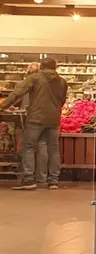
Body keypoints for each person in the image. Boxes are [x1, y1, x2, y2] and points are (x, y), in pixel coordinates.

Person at [0, 57, 67, 191]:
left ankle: (29, 179)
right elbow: (62, 100)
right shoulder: (62, 81)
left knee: (28, 147)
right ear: (55, 67)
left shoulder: (35, 78)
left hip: (36, 118)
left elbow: (17, 93)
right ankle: (53, 181)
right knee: (53, 149)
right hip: (54, 119)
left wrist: (3, 106)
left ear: (42, 66)